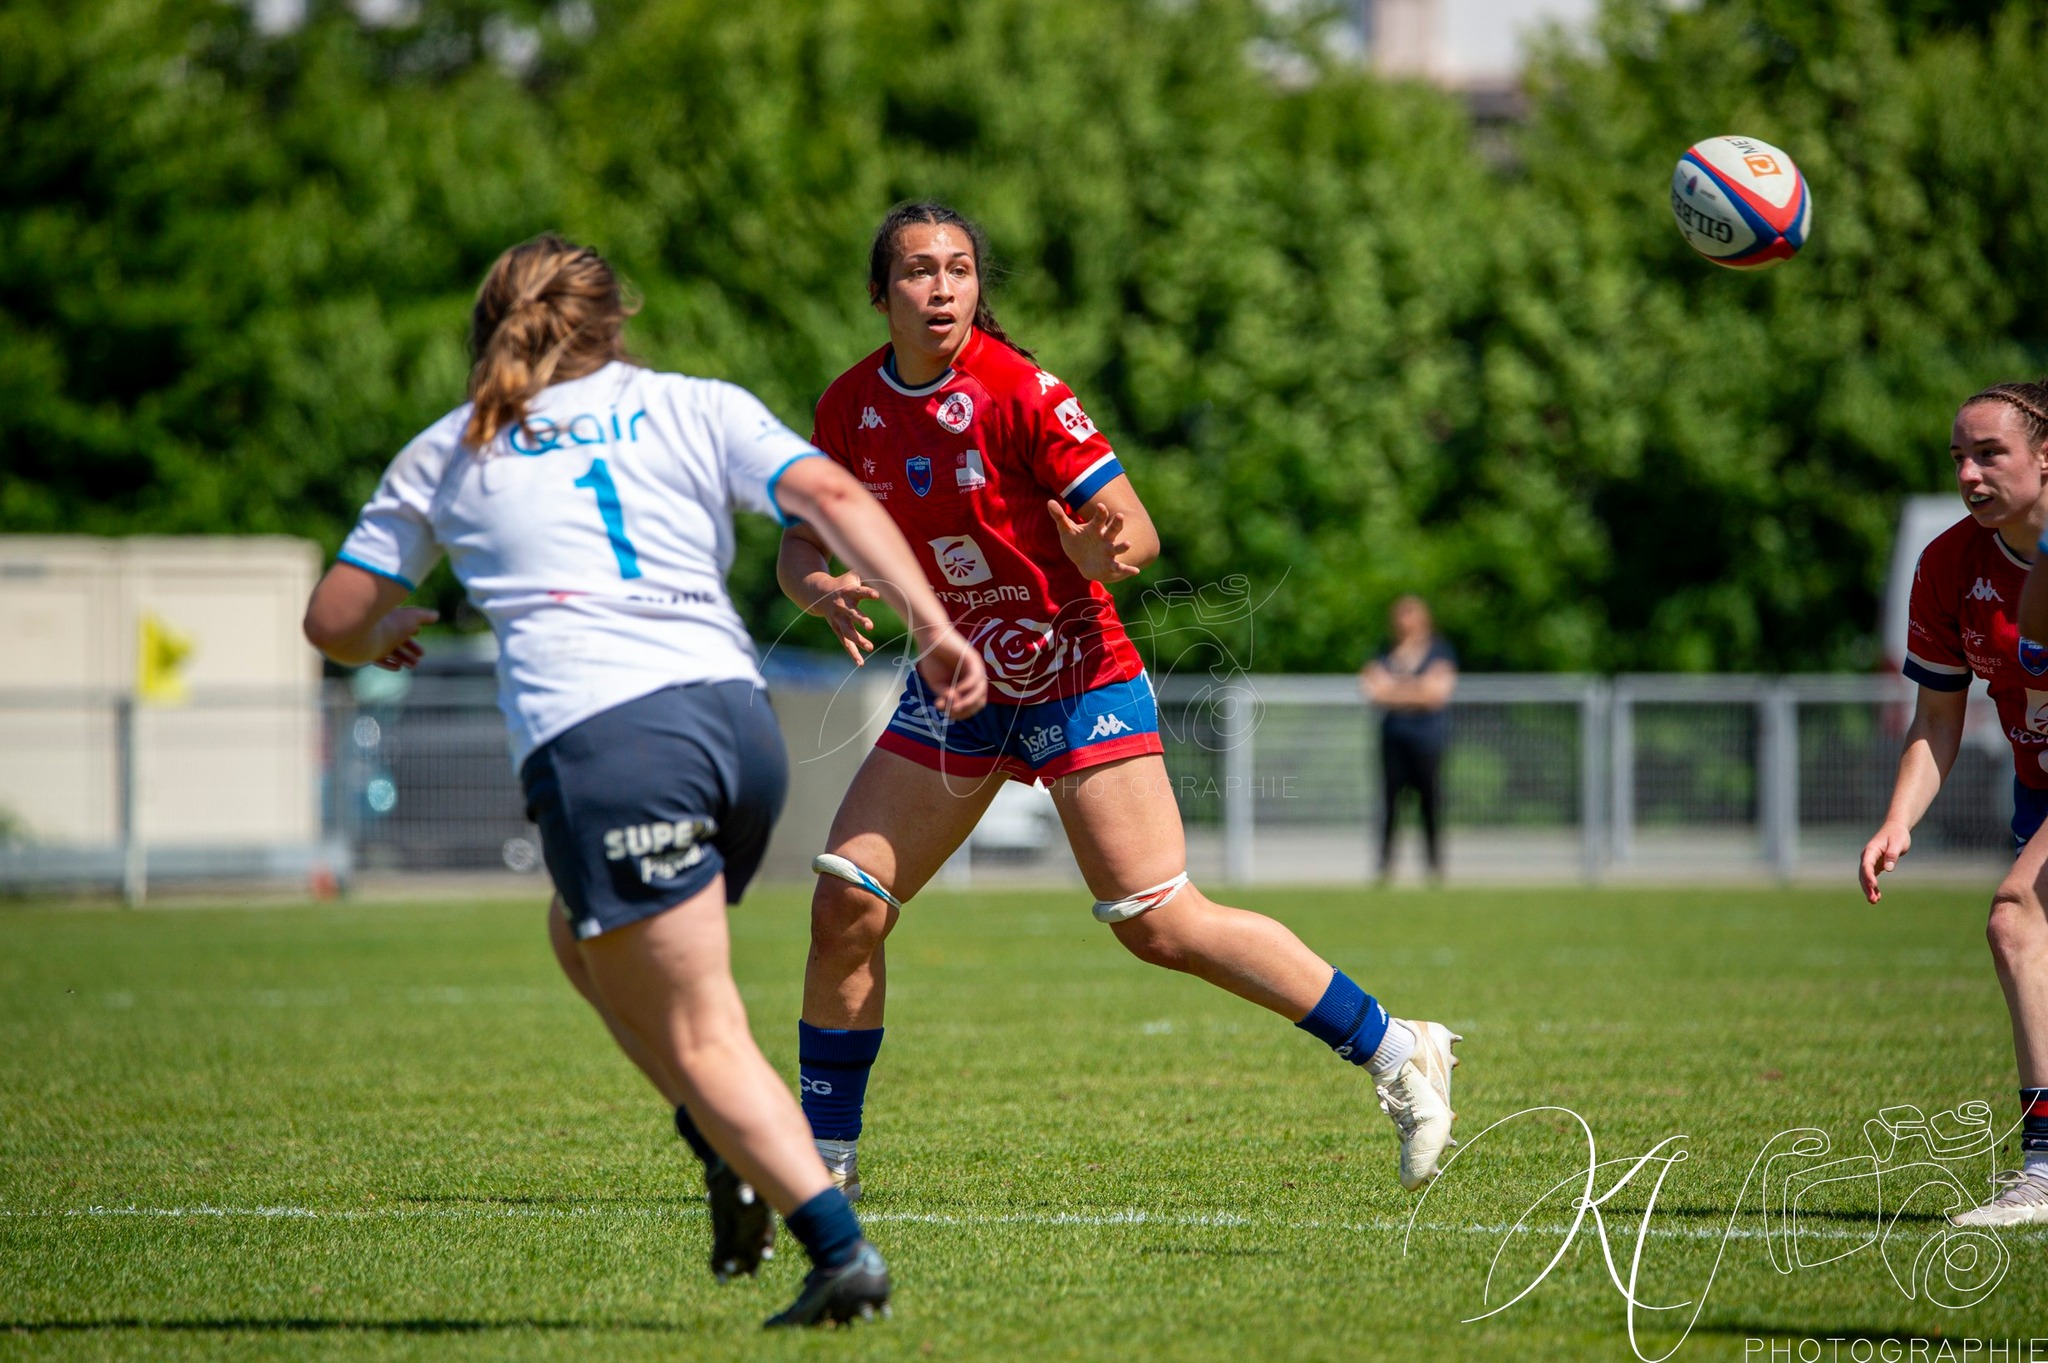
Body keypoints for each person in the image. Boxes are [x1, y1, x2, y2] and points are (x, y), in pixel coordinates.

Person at [301, 233, 989, 1324]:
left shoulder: (455, 444)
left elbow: (330, 618)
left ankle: (838, 1251)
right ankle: (720, 1131)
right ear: (615, 323)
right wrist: (937, 625)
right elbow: (836, 500)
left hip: (611, 744)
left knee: (705, 1026)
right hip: (735, 726)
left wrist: (384, 622)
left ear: (489, 325)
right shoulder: (692, 403)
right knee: (578, 937)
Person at [774, 201, 1462, 1206]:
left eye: (959, 269)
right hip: (959, 685)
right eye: (917, 271)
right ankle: (821, 1159)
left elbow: (1134, 527)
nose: (940, 288)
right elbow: (801, 537)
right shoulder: (847, 409)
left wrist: (1105, 553)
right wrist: (813, 585)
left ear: (977, 287)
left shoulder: (1019, 391)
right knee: (845, 903)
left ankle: (1400, 1050)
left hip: (1073, 670)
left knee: (1158, 922)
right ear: (879, 294)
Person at [1863, 379, 2048, 1228]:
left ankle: (2043, 1172)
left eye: (1990, 454)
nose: (1969, 473)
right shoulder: (1947, 564)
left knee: (2016, 918)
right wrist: (1899, 818)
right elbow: (1938, 716)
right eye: (1959, 458)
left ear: (2045, 458)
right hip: (2036, 788)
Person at [1359, 596, 1458, 884]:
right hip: (1393, 740)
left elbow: (1436, 695)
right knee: (1389, 804)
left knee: (1430, 803)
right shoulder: (1384, 650)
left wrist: (1394, 690)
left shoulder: (1440, 650)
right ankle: (1385, 866)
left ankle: (1434, 867)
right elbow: (1373, 691)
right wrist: (1416, 689)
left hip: (1427, 741)